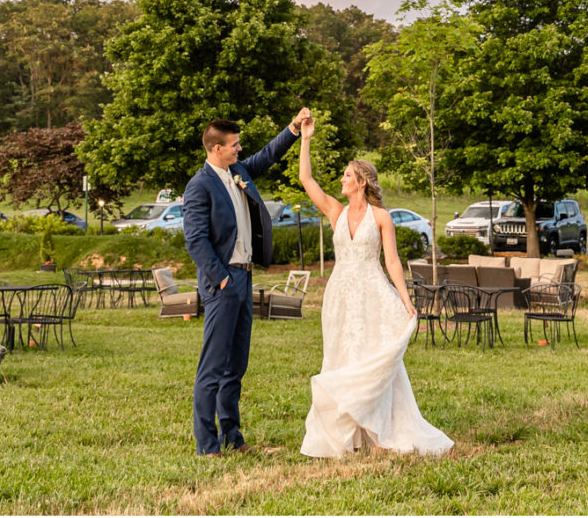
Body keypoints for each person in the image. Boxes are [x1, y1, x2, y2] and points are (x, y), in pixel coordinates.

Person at [295, 112, 453, 458]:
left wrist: (406, 300)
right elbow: (306, 179)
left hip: (372, 294)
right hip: (339, 297)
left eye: (347, 176)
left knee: (372, 357)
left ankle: (380, 434)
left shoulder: (382, 218)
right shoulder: (335, 212)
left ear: (362, 182)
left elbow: (392, 263)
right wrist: (305, 138)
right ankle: (348, 436)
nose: (341, 180)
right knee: (341, 357)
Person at [181, 109, 307, 456]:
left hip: (245, 275)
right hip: (223, 281)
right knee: (213, 366)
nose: (239, 150)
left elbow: (266, 155)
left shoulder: (238, 171)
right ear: (215, 149)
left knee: (236, 364)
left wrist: (293, 128)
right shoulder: (199, 186)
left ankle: (232, 437)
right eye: (234, 146)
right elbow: (195, 240)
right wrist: (221, 279)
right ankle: (207, 446)